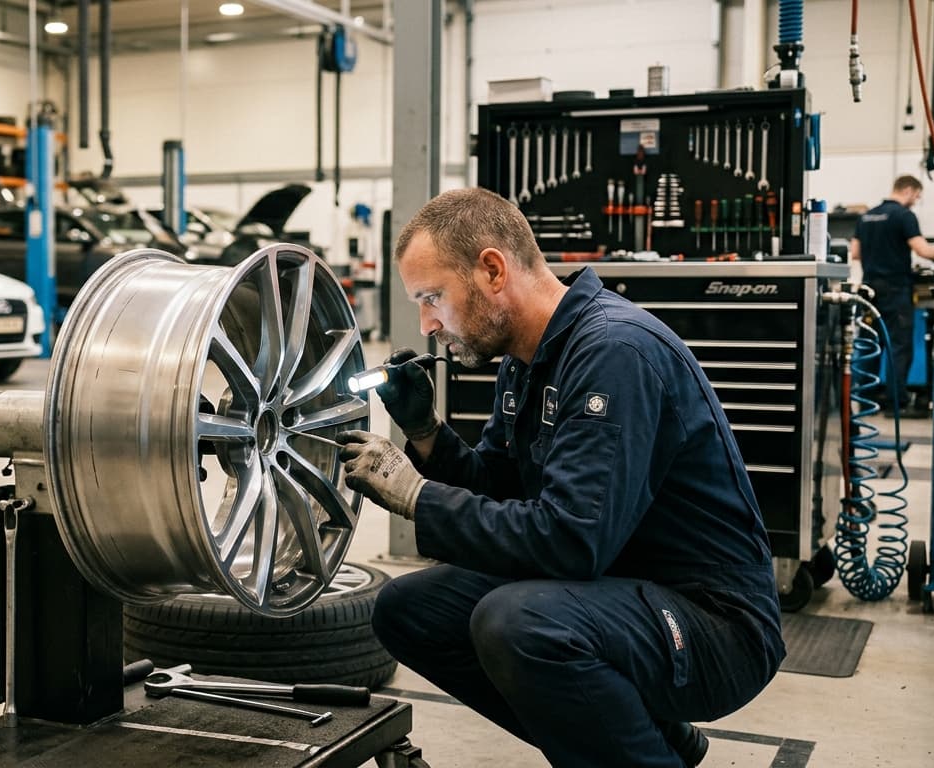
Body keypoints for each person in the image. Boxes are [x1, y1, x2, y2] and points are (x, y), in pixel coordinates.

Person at [335, 188, 785, 767]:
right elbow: (501, 489)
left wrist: (415, 496)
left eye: (432, 297)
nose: (426, 325)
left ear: (492, 270)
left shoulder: (615, 353)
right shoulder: (528, 362)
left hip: (715, 625)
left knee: (521, 623)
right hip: (622, 587)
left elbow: (570, 542)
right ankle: (649, 738)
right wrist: (425, 433)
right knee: (407, 609)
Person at [849, 175, 934, 414]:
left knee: (870, 345)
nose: (915, 202)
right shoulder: (904, 216)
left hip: (869, 290)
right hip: (895, 290)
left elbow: (855, 253)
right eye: (916, 196)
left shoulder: (866, 216)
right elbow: (921, 249)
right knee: (898, 347)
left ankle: (866, 401)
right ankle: (896, 403)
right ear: (907, 190)